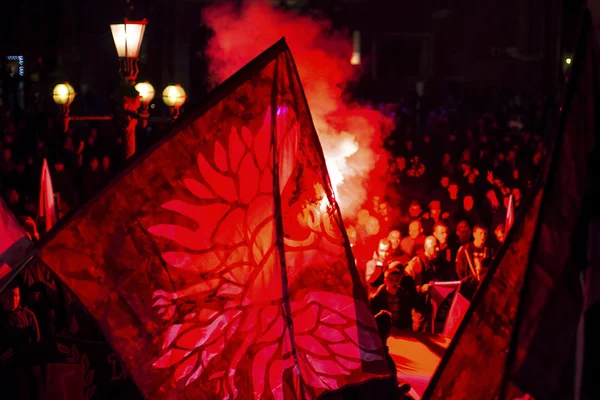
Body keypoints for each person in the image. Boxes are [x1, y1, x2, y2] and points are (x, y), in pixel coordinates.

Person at [0, 281, 41, 400]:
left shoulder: (28, 316)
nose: (13, 299)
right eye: (9, 295)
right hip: (6, 370)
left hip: (25, 368)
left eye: (16, 295)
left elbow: (36, 340)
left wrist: (35, 363)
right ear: (2, 297)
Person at [369, 266, 415, 330]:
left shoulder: (405, 297)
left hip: (401, 331)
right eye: (391, 280)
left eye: (396, 280)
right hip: (384, 331)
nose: (394, 283)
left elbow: (407, 317)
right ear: (385, 281)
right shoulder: (377, 298)